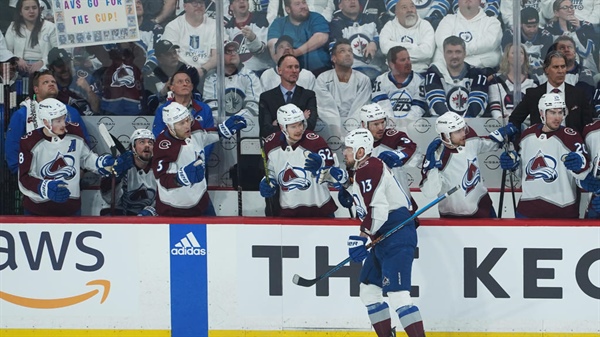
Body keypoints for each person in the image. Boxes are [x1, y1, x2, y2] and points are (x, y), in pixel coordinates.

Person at [340, 128, 424, 337]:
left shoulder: (370, 167)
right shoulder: (363, 169)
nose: (344, 153)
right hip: (382, 237)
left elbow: (378, 210)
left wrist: (363, 236)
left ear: (360, 152)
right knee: (369, 290)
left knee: (398, 295)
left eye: (348, 149)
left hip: (396, 233)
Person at [17, 98, 120, 216]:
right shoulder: (30, 142)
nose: (63, 124)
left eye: (64, 118)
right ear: (46, 122)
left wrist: (100, 163)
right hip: (37, 210)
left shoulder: (74, 131)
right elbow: (24, 179)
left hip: (70, 208)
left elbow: (85, 158)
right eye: (58, 121)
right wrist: (44, 187)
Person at [500, 93, 590, 218]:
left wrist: (580, 164)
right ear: (542, 113)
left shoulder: (571, 136)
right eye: (552, 112)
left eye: (560, 112)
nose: (558, 117)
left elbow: (584, 172)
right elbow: (523, 173)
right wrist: (513, 165)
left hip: (562, 210)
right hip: (528, 209)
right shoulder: (527, 135)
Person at [152, 102, 247, 216]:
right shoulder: (164, 146)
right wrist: (179, 179)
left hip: (201, 201)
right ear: (170, 126)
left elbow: (203, 136)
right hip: (174, 208)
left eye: (187, 120)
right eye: (181, 123)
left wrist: (222, 131)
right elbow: (162, 179)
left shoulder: (193, 127)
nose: (187, 125)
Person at [419, 112, 517, 217]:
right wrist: (431, 167)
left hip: (483, 207)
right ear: (445, 135)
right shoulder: (436, 155)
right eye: (457, 131)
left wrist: (503, 135)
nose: (463, 134)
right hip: (452, 215)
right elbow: (429, 192)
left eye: (463, 129)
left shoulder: (468, 138)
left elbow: (484, 144)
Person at [259, 103, 338, 217]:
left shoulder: (316, 143)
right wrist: (268, 181)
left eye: (300, 124)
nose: (299, 130)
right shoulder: (271, 144)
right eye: (293, 126)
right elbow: (271, 171)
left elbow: (335, 177)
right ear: (282, 127)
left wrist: (322, 167)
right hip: (287, 212)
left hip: (320, 211)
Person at [5, 70, 89, 174]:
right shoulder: (23, 114)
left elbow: (84, 142)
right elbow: (13, 147)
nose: (51, 84)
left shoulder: (71, 112)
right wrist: (23, 176)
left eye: (53, 82)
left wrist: (82, 170)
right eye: (45, 82)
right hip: (34, 178)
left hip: (70, 174)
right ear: (36, 89)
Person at [509, 50, 593, 134]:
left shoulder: (579, 94)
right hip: (541, 144)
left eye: (563, 66)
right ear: (546, 70)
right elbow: (514, 119)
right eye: (556, 67)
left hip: (571, 144)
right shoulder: (533, 95)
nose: (560, 71)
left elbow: (588, 126)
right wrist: (521, 143)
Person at [358, 103, 418, 209]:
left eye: (383, 122)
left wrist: (396, 154)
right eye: (376, 124)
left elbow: (412, 149)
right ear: (364, 124)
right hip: (373, 207)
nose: (381, 127)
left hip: (400, 206)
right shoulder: (356, 143)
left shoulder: (393, 137)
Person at [153, 70, 215, 159]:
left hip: (198, 163)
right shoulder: (163, 110)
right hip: (172, 164)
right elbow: (159, 137)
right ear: (172, 88)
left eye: (187, 81)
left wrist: (199, 160)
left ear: (192, 86)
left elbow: (209, 139)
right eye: (180, 82)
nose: (185, 84)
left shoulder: (204, 109)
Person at [314, 39, 371, 134]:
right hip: (331, 132)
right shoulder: (323, 79)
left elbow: (360, 108)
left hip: (356, 131)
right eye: (342, 51)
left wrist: (351, 131)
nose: (348, 54)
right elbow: (326, 109)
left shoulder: (363, 80)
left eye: (350, 51)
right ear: (333, 58)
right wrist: (338, 132)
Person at [423, 36, 489, 117]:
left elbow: (477, 104)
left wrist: (462, 124)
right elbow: (436, 103)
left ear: (465, 53)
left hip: (470, 124)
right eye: (449, 52)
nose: (454, 56)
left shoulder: (477, 74)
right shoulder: (434, 72)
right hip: (443, 124)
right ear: (444, 54)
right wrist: (452, 122)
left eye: (458, 52)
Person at [100, 129, 158, 216]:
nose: (147, 145)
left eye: (150, 143)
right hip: (116, 213)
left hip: (144, 216)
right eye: (142, 142)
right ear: (133, 147)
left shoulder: (159, 167)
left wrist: (151, 210)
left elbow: (165, 198)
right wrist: (117, 177)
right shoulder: (119, 164)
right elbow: (109, 199)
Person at [259, 54, 318, 137]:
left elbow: (311, 125)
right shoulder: (266, 97)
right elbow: (266, 130)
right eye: (290, 67)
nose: (294, 71)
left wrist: (278, 123)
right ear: (279, 70)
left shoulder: (308, 95)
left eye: (296, 67)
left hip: (302, 146)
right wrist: (301, 118)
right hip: (276, 145)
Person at [433, 0, 502, 70]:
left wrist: (456, 53)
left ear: (480, 1)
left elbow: (490, 44)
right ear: (458, 1)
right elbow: (442, 43)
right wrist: (473, 55)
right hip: (445, 73)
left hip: (481, 73)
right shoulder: (447, 20)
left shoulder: (492, 23)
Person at [267, 0, 331, 74]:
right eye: (297, 4)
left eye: (304, 2)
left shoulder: (316, 18)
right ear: (288, 9)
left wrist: (295, 53)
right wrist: (281, 59)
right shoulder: (278, 23)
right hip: (289, 72)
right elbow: (273, 44)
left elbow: (321, 38)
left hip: (320, 71)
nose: (303, 6)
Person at [203, 40, 263, 116]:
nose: (233, 54)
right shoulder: (211, 80)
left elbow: (254, 105)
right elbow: (211, 107)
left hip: (246, 124)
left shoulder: (250, 76)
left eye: (235, 51)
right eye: (228, 51)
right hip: (220, 125)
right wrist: (225, 124)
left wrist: (235, 121)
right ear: (220, 56)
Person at [161, 0, 217, 79]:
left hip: (207, 73)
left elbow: (217, 55)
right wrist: (188, 72)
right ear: (185, 6)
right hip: (180, 72)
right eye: (194, 3)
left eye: (201, 2)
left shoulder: (215, 25)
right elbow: (170, 56)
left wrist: (203, 70)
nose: (199, 5)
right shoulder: (173, 26)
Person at [329, 0, 382, 81]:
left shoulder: (372, 19)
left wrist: (375, 42)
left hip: (376, 71)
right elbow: (335, 52)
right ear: (340, 6)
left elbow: (386, 38)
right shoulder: (336, 24)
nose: (352, 2)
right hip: (350, 73)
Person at [144, 40, 202, 113]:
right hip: (162, 116)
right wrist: (163, 92)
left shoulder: (190, 72)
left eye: (174, 52)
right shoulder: (152, 75)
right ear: (159, 58)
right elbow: (149, 106)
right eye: (168, 54)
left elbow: (198, 99)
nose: (174, 56)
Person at [379, 0, 435, 74]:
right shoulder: (389, 26)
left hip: (421, 73)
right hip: (395, 74)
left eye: (412, 6)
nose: (409, 10)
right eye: (404, 7)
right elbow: (385, 48)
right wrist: (415, 47)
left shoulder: (425, 25)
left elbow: (427, 53)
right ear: (396, 13)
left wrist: (397, 50)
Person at [372, 46, 427, 120]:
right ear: (392, 64)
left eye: (408, 59)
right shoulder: (381, 80)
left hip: (411, 126)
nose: (408, 62)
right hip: (387, 126)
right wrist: (392, 124)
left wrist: (405, 123)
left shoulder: (419, 80)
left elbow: (418, 108)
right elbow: (383, 106)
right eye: (403, 60)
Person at [500, 7, 553, 83]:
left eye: (535, 26)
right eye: (529, 26)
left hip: (539, 75)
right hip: (515, 74)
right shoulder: (510, 36)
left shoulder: (546, 37)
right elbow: (506, 61)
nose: (532, 30)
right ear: (521, 24)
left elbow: (545, 63)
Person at [488, 43, 538, 121]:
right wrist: (502, 120)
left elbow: (534, 108)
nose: (518, 56)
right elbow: (495, 108)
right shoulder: (496, 80)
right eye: (514, 53)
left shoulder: (532, 81)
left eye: (521, 53)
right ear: (507, 57)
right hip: (504, 125)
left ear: (524, 57)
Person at [5, 0, 57, 75]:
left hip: (44, 68)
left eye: (34, 8)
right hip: (19, 68)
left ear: (39, 10)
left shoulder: (50, 27)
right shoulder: (13, 27)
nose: (31, 11)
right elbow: (7, 51)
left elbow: (56, 51)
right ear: (20, 12)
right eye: (27, 8)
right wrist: (17, 59)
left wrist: (42, 62)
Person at [544, 0, 598, 72]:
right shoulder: (550, 28)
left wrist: (579, 29)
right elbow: (548, 52)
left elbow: (589, 52)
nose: (570, 10)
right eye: (565, 7)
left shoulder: (586, 26)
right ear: (556, 13)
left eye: (571, 7)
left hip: (585, 69)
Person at [47, 47, 100, 115]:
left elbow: (97, 109)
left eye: (67, 63)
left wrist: (88, 90)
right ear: (51, 68)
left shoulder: (85, 77)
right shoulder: (47, 83)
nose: (65, 68)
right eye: (60, 66)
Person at [225, 0, 272, 75]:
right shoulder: (227, 29)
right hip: (238, 76)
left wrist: (253, 40)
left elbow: (267, 54)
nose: (241, 1)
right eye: (237, 0)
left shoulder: (262, 20)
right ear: (231, 7)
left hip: (262, 72)